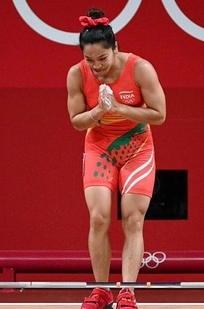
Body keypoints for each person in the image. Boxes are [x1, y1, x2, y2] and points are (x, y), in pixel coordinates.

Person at [66, 8, 166, 309]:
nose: (96, 66)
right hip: (100, 149)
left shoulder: (140, 69)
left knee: (133, 219)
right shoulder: (76, 74)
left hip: (137, 148)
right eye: (90, 60)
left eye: (102, 59)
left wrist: (120, 110)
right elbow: (76, 121)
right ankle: (101, 290)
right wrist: (97, 113)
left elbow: (159, 115)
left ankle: (128, 292)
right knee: (98, 218)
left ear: (115, 48)